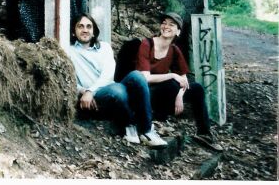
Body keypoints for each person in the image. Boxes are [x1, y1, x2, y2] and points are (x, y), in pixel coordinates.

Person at [67, 12, 168, 147]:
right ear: (73, 32)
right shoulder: (69, 51)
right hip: (98, 98)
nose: (85, 30)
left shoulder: (104, 47)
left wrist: (90, 90)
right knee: (118, 91)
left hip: (105, 88)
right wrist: (83, 91)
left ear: (94, 31)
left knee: (137, 76)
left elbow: (108, 74)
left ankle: (147, 131)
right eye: (80, 26)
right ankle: (130, 124)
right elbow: (69, 80)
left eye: (89, 26)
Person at [136, 11, 223, 152]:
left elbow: (184, 80)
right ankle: (154, 117)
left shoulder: (174, 50)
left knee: (197, 88)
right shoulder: (147, 44)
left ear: (178, 31)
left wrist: (180, 96)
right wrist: (171, 75)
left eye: (171, 24)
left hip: (164, 96)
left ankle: (204, 133)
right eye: (164, 23)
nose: (166, 26)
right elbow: (144, 78)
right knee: (172, 83)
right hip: (145, 94)